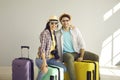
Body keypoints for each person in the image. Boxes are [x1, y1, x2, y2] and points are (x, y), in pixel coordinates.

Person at [56, 13, 86, 80]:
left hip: (76, 52)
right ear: (61, 22)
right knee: (69, 57)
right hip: (65, 54)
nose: (65, 22)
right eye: (63, 21)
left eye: (67, 20)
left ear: (70, 21)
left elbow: (82, 43)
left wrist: (81, 56)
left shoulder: (75, 30)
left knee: (95, 57)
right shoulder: (57, 33)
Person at [35, 16, 67, 80]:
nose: (54, 25)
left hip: (51, 59)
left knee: (64, 69)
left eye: (55, 23)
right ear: (48, 24)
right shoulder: (45, 33)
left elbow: (64, 29)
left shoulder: (55, 33)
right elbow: (42, 49)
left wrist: (71, 26)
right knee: (44, 70)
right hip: (41, 59)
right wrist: (44, 62)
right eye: (52, 23)